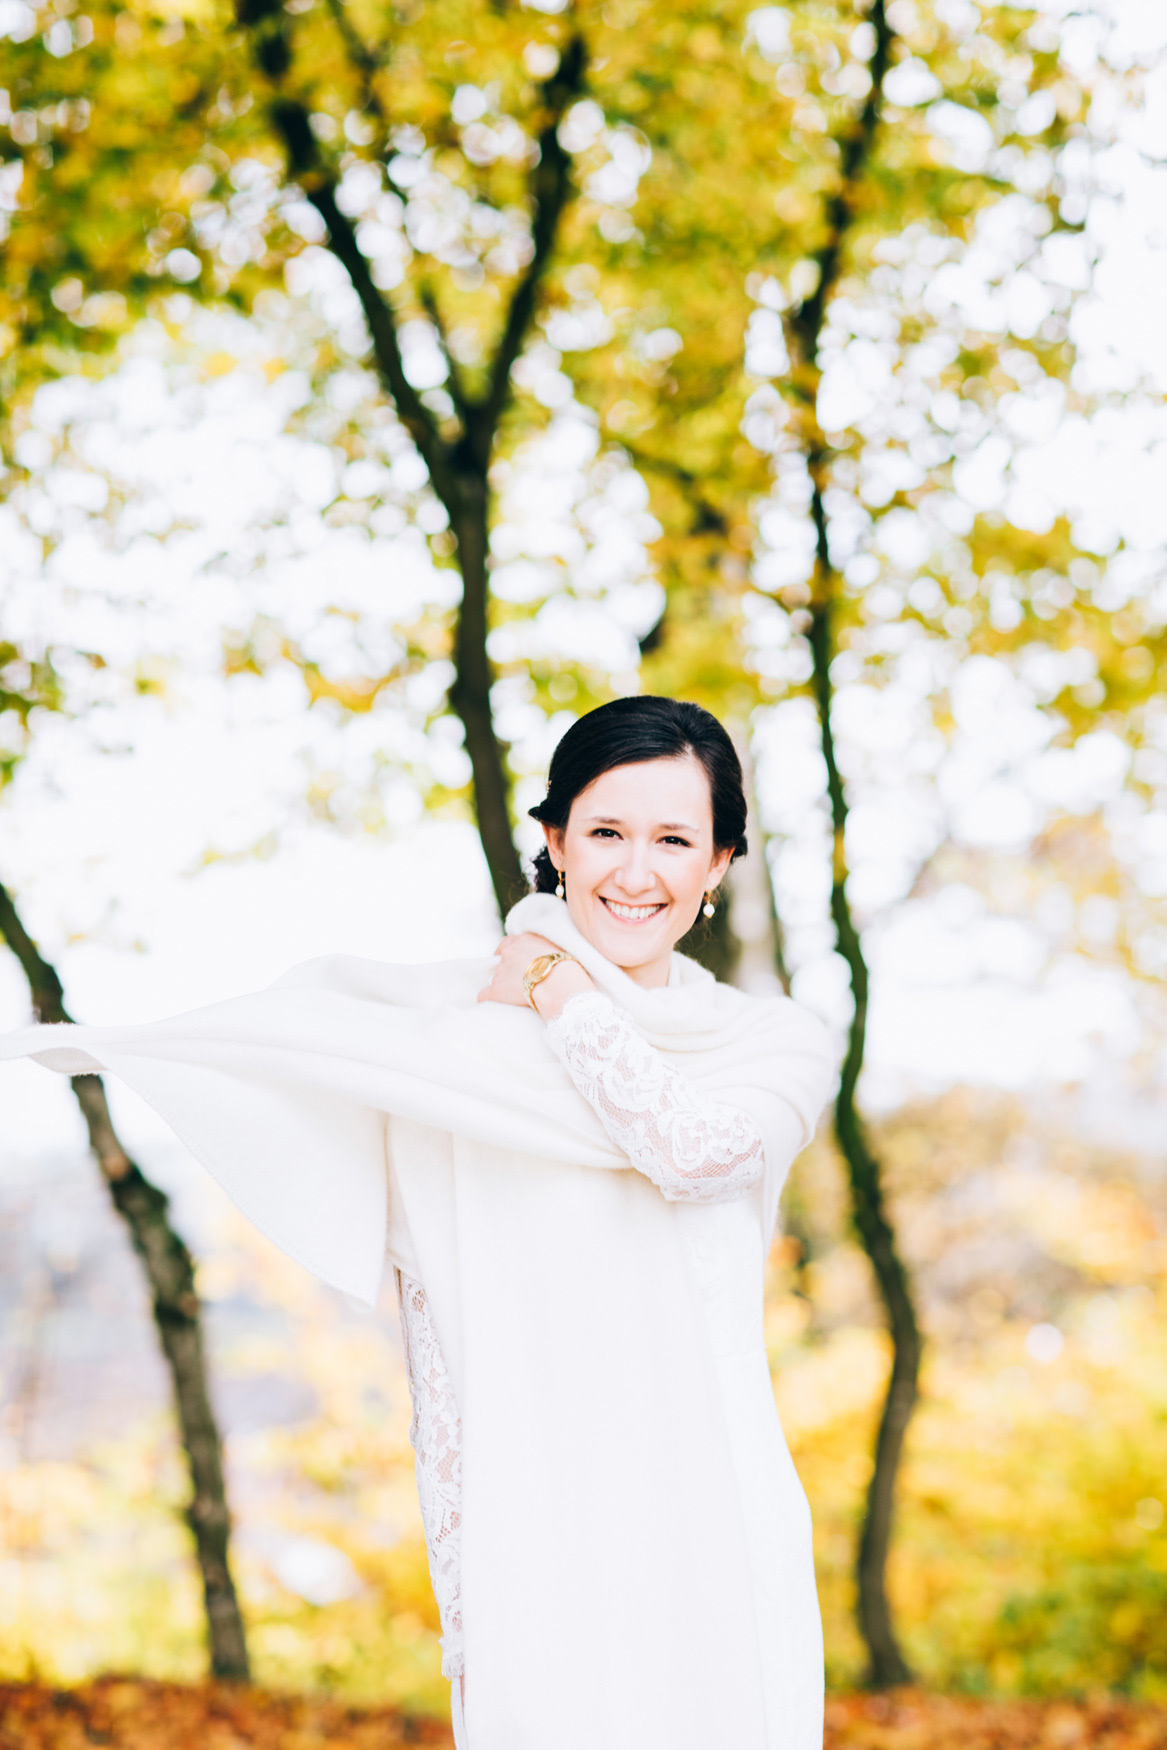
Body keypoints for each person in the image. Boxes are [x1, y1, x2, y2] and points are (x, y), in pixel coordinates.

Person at [2, 695, 835, 1750]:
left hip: (717, 1524)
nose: (637, 871)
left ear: (718, 862)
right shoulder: (452, 1052)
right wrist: (467, 1576)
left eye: (674, 839)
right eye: (605, 832)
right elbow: (435, 1326)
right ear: (555, 844)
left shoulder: (773, 1044)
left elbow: (694, 1151)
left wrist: (553, 982)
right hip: (537, 1541)